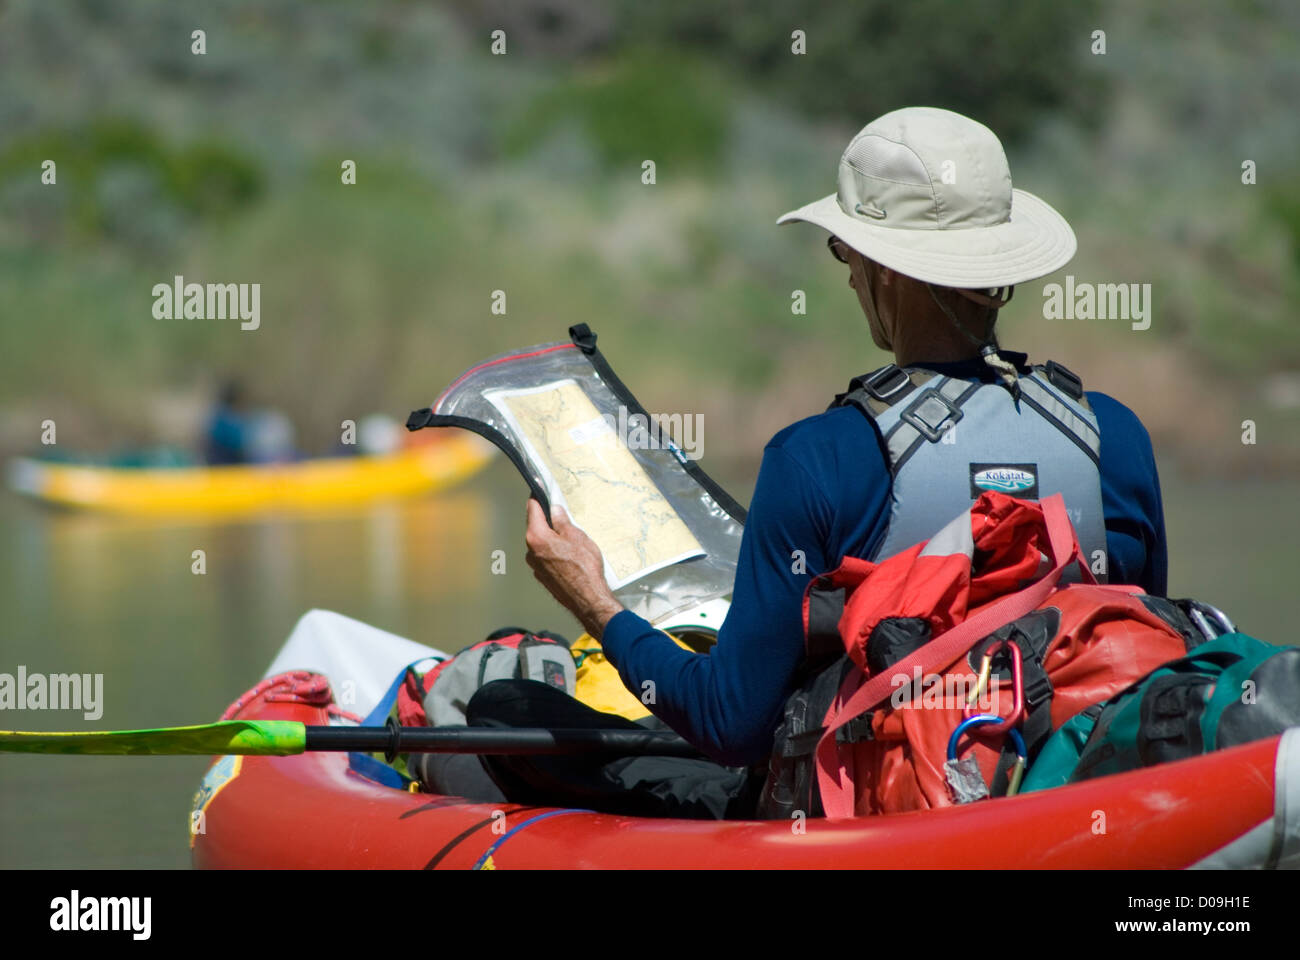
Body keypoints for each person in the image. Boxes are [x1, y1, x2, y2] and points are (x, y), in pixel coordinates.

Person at [478, 107, 1168, 814]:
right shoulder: (1113, 435)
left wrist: (593, 601)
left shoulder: (816, 456)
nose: (845, 277)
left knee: (502, 710)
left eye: (846, 252)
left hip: (867, 810)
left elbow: (730, 725)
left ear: (884, 268)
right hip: (1056, 787)